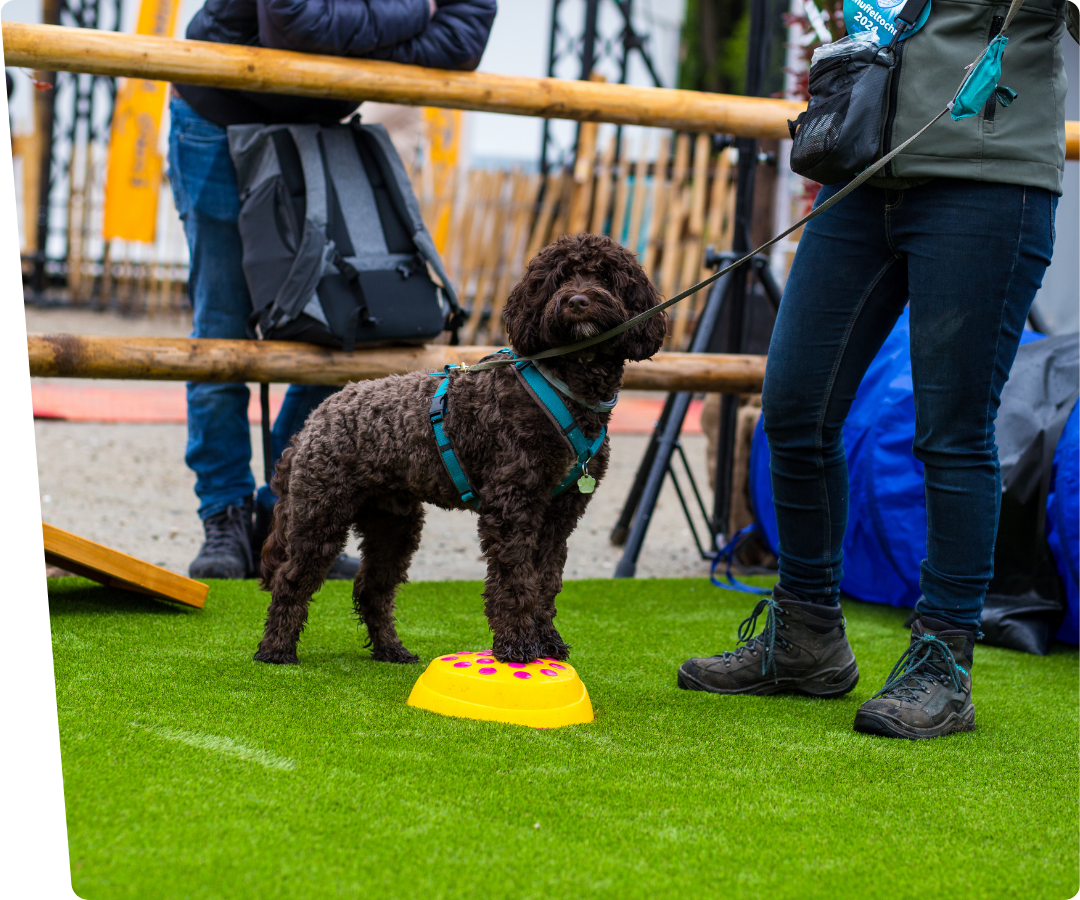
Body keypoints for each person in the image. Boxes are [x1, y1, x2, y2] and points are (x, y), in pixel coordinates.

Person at [678, 0, 1080, 739]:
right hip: (861, 164)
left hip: (987, 181)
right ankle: (806, 636)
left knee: (952, 433)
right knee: (795, 407)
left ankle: (943, 661)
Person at [168, 0, 497, 579]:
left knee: (335, 325)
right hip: (217, 113)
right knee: (221, 324)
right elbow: (293, 20)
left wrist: (343, 34)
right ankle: (223, 515)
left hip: (320, 126)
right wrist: (417, 9)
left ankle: (283, 510)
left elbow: (462, 41)